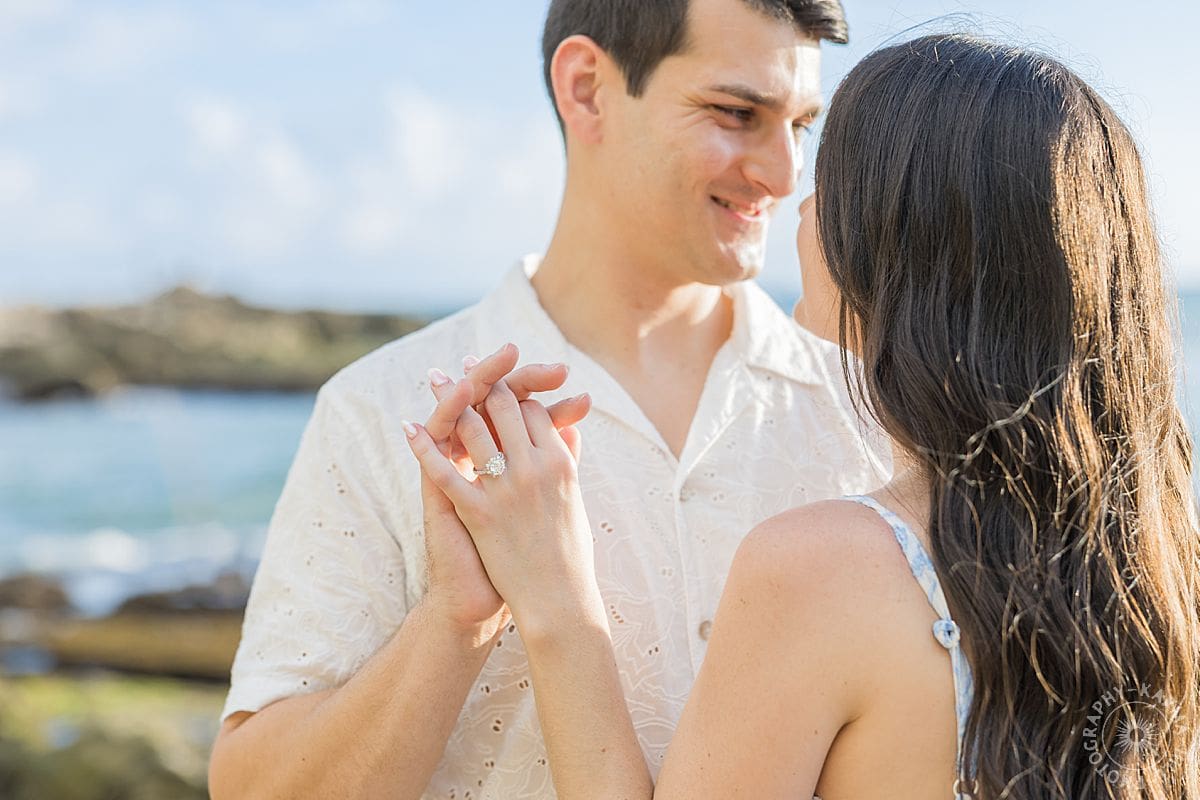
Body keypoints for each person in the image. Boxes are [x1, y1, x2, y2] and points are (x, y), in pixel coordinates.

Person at [408, 33, 1200, 799]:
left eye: (830, 179)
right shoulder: (1161, 567)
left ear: (900, 245)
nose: (796, 199)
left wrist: (553, 596)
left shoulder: (824, 567)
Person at [207, 1, 889, 798]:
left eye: (802, 125)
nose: (783, 173)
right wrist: (454, 620)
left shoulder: (872, 412)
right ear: (588, 88)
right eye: (737, 113)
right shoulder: (378, 409)